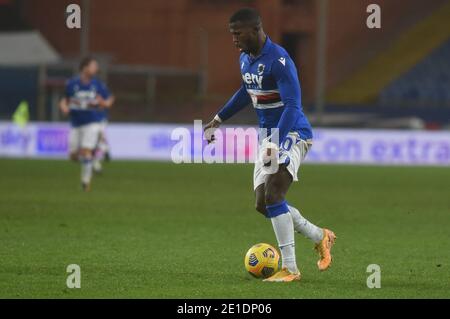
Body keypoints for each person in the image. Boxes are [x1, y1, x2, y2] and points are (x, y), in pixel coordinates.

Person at [204, 8, 336, 282]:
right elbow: (245, 92)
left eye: (237, 34)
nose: (234, 40)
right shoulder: (245, 59)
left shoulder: (279, 60)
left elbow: (292, 105)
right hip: (268, 137)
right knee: (263, 204)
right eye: (232, 34)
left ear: (255, 30)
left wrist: (276, 143)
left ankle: (290, 268)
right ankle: (319, 235)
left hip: (292, 133)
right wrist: (218, 119)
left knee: (274, 194)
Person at [59, 57, 115, 191]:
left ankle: (85, 182)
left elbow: (110, 98)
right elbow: (64, 100)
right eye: (93, 66)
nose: (96, 69)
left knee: (86, 151)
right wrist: (64, 107)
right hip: (75, 123)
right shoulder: (72, 84)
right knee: (73, 156)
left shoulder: (98, 85)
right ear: (85, 68)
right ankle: (92, 162)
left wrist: (105, 103)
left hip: (92, 122)